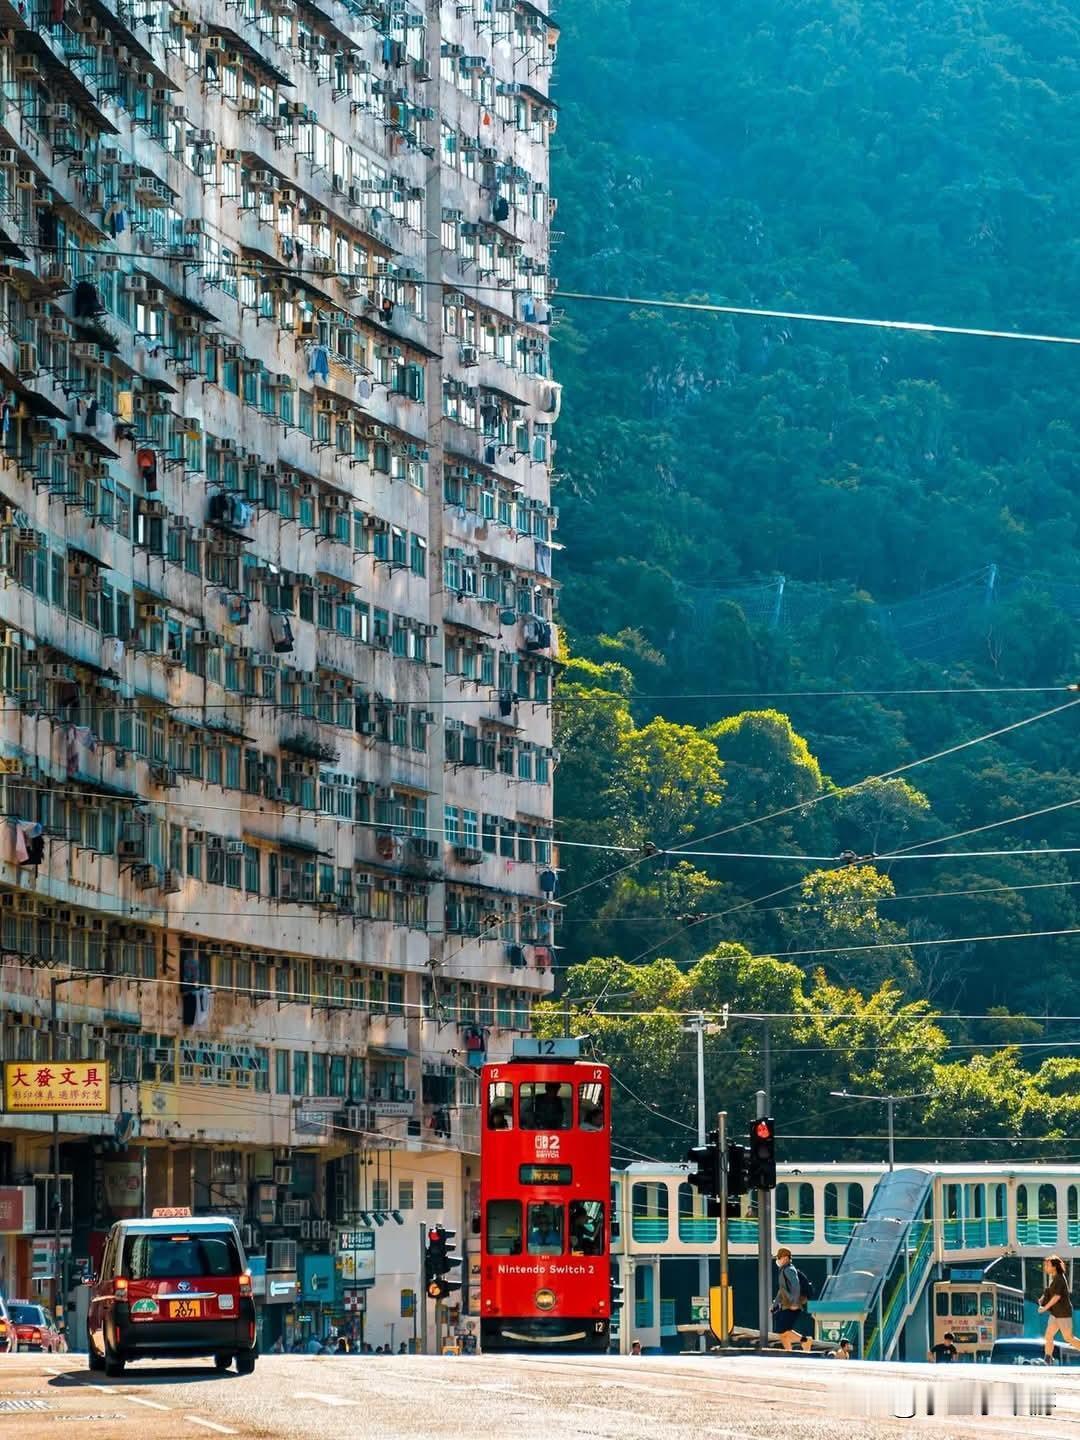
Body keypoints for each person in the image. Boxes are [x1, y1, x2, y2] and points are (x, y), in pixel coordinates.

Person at [1039, 1255, 1080, 1362]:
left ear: (1054, 1267)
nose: (1045, 1267)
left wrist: (1044, 1308)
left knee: (1068, 1338)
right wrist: (1043, 1298)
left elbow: (1057, 1297)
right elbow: (1050, 1291)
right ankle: (1048, 1358)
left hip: (1063, 1313)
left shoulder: (1060, 1279)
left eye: (1047, 1265)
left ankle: (1048, 1358)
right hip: (1055, 1313)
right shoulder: (1053, 1278)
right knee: (1048, 1335)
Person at [772, 1247, 812, 1353]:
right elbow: (781, 1291)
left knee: (782, 1330)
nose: (778, 1260)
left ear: (785, 1258)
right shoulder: (783, 1270)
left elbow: (796, 1286)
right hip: (786, 1305)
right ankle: (788, 1352)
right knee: (782, 1332)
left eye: (779, 1257)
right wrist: (774, 1304)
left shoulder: (789, 1269)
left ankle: (806, 1341)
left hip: (792, 1305)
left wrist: (794, 1303)